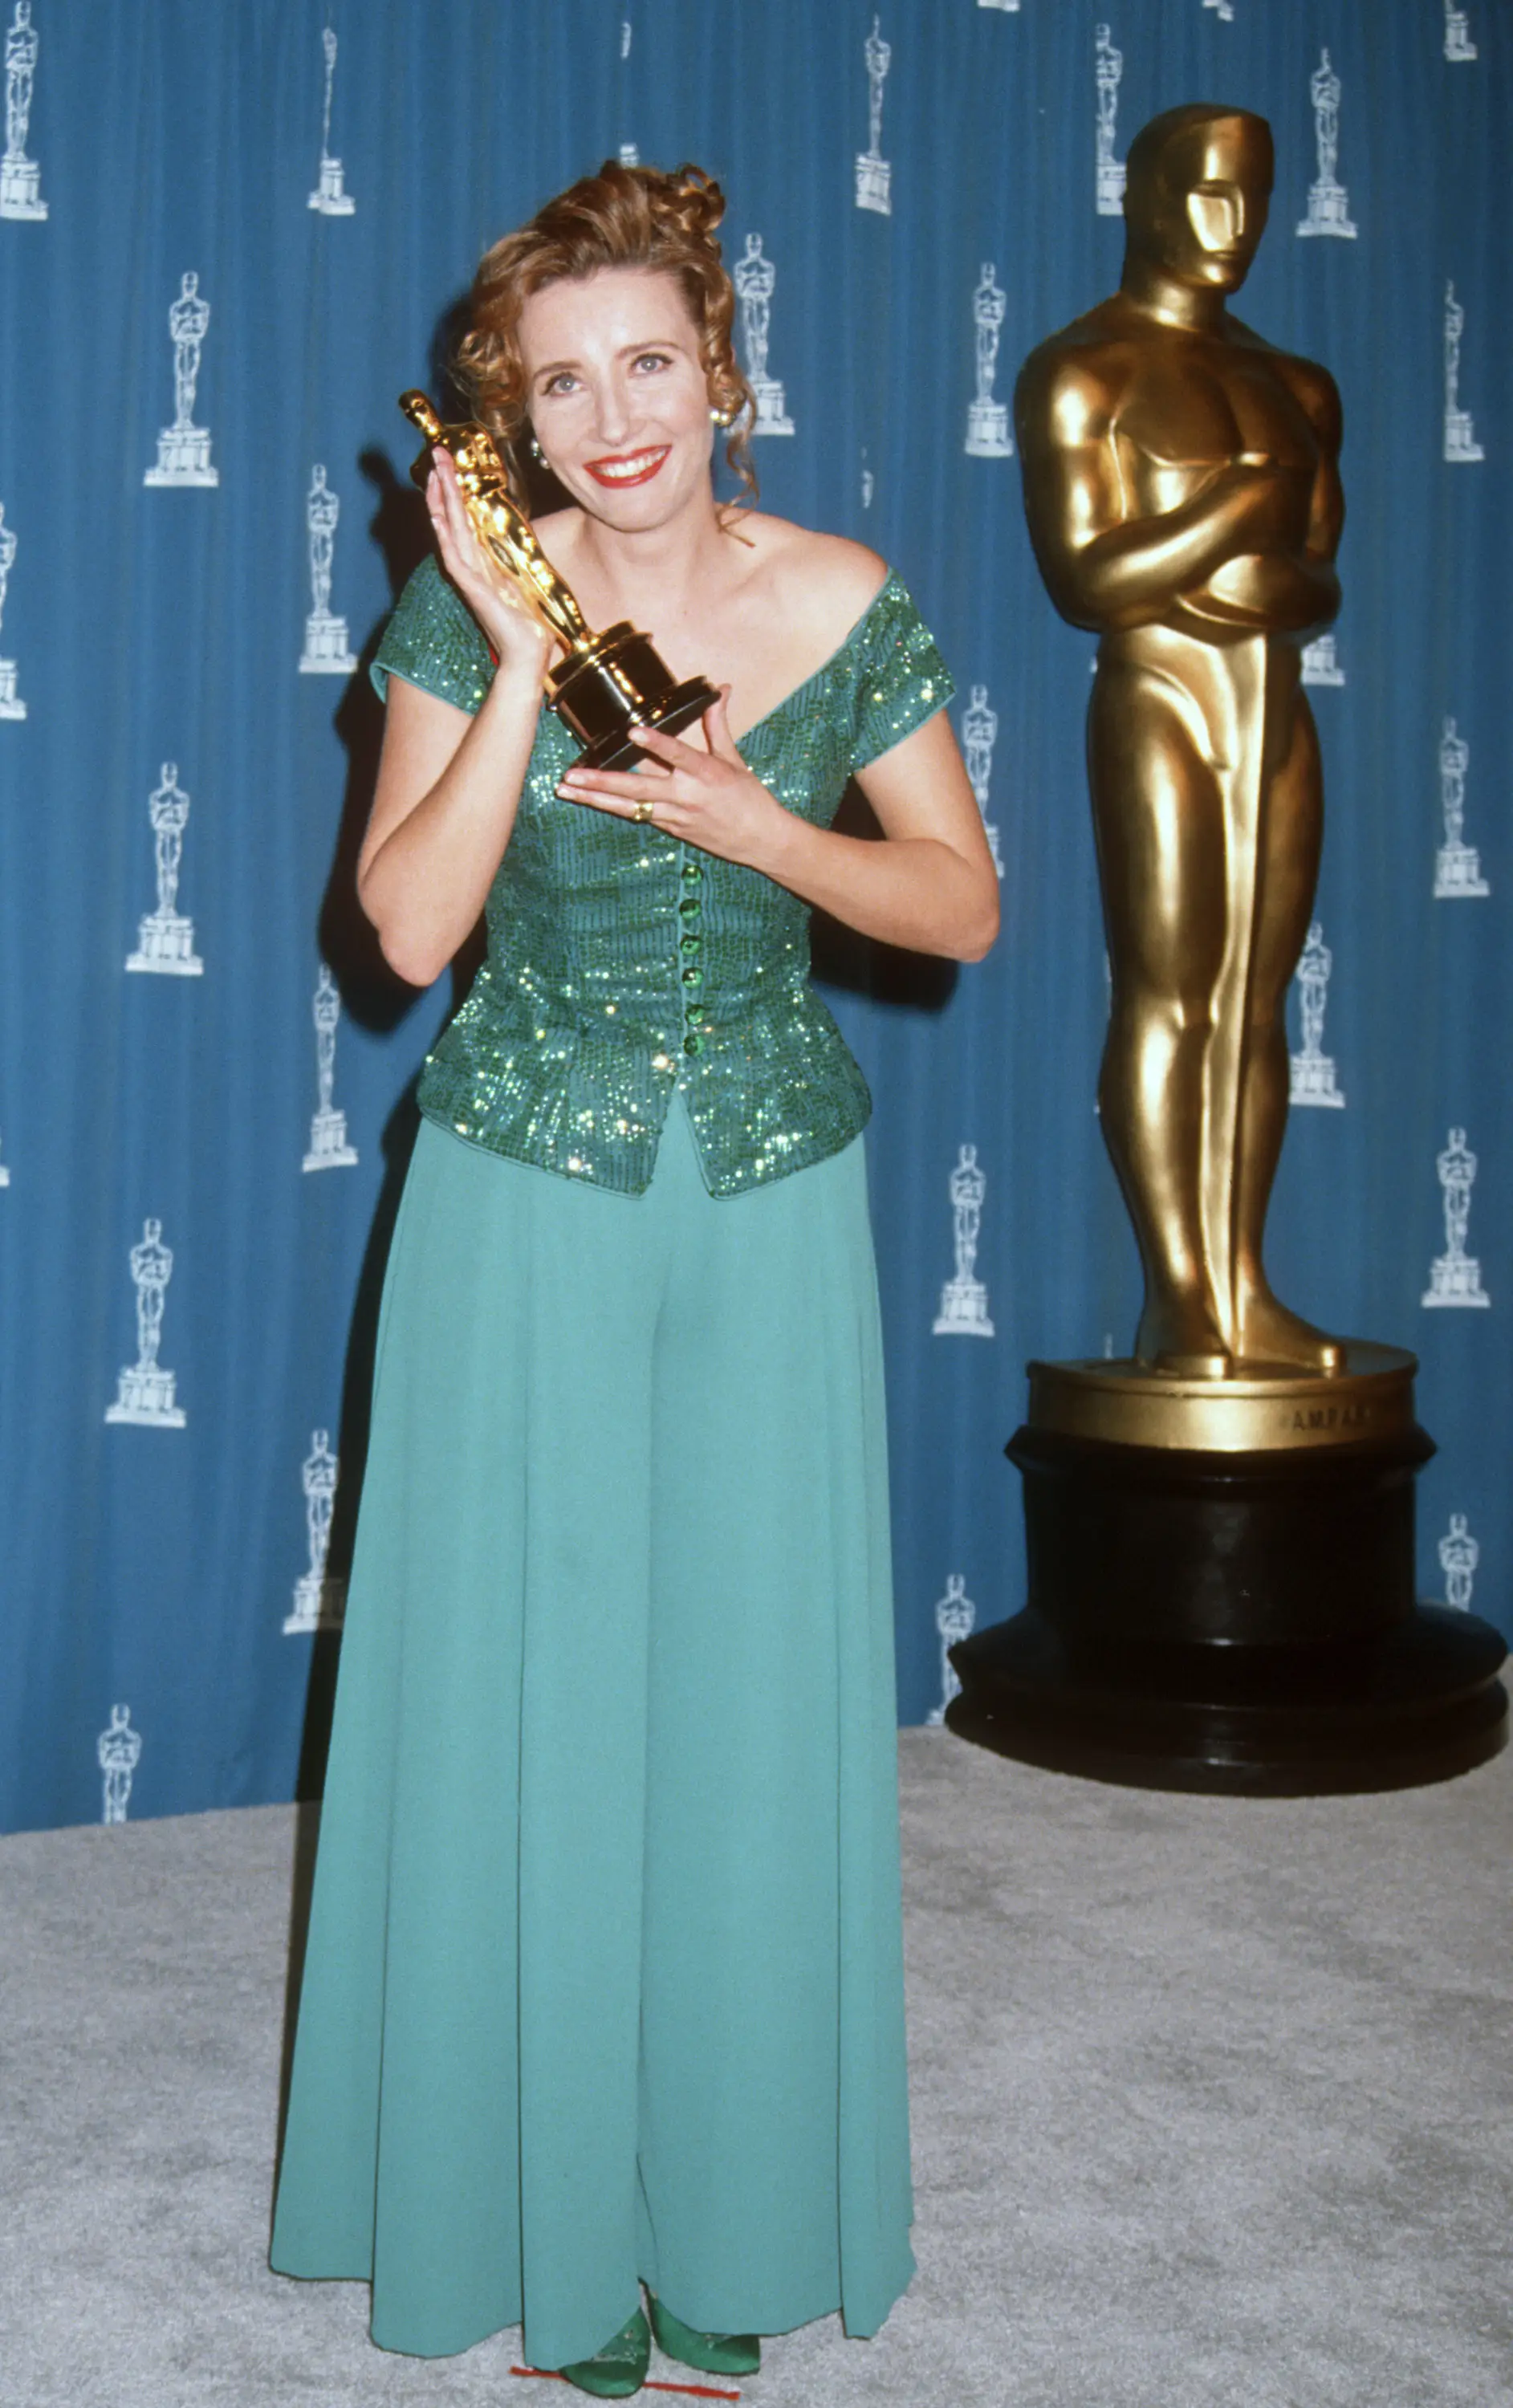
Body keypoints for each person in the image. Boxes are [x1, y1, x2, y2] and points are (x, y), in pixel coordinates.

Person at [270, 160, 998, 2399]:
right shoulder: (469, 604)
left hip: (770, 1197)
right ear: (514, 413)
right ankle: (548, 2232)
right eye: (563, 382)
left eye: (650, 364)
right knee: (535, 1699)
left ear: (721, 368)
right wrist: (512, 661)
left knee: (748, 1716)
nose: (615, 419)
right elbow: (407, 932)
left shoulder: (843, 595)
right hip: (524, 1193)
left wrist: (762, 825)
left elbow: (960, 904)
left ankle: (731, 2219)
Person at [1015, 104, 1344, 1377]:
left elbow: (1318, 581)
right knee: (1173, 989)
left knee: (1257, 999)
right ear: (1146, 199)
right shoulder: (1083, 371)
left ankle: (1244, 1284)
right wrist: (1235, 514)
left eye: (1255, 197)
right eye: (1207, 195)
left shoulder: (1298, 385)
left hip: (1276, 703)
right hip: (1158, 694)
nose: (1234, 225)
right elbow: (1087, 580)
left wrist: (1231, 568)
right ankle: (1180, 1295)